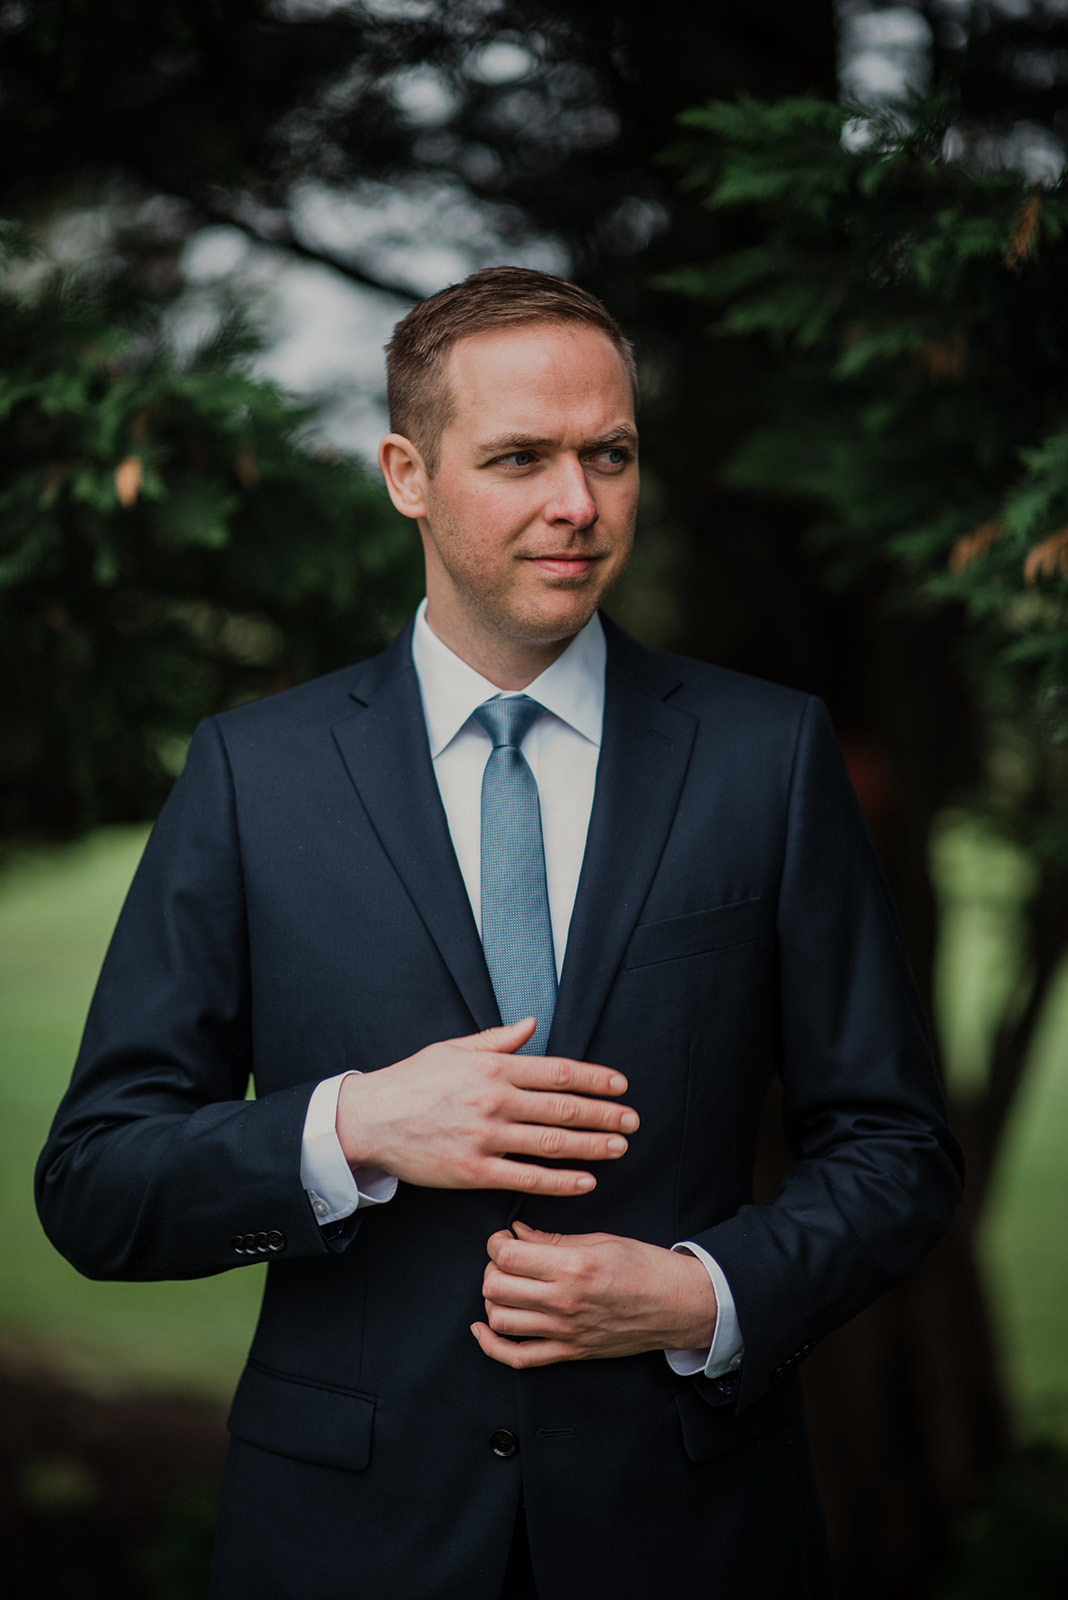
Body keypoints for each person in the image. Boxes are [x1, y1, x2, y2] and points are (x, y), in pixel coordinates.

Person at [36, 266, 962, 1600]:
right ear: (407, 473)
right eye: (520, 456)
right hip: (347, 1545)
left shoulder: (770, 757)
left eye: (611, 455)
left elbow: (897, 1148)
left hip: (690, 1537)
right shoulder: (254, 776)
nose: (577, 505)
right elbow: (98, 1186)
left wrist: (704, 1293)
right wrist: (351, 1126)